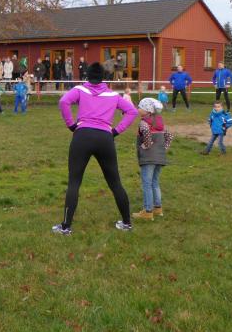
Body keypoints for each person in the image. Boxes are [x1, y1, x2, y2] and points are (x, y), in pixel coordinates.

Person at [53, 62, 139, 235]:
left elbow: (63, 101)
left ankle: (66, 227)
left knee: (74, 182)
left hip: (82, 136)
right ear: (104, 78)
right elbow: (132, 111)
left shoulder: (80, 89)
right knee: (115, 182)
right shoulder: (113, 95)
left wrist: (71, 125)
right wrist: (116, 131)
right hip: (105, 138)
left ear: (87, 76)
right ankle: (127, 223)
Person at [132, 98, 173, 221]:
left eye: (140, 107)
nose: (138, 109)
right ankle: (158, 208)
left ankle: (147, 211)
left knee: (147, 184)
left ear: (147, 110)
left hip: (148, 158)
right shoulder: (159, 122)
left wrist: (146, 144)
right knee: (155, 182)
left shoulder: (143, 123)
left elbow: (146, 133)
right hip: (160, 157)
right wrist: (164, 147)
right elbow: (170, 135)